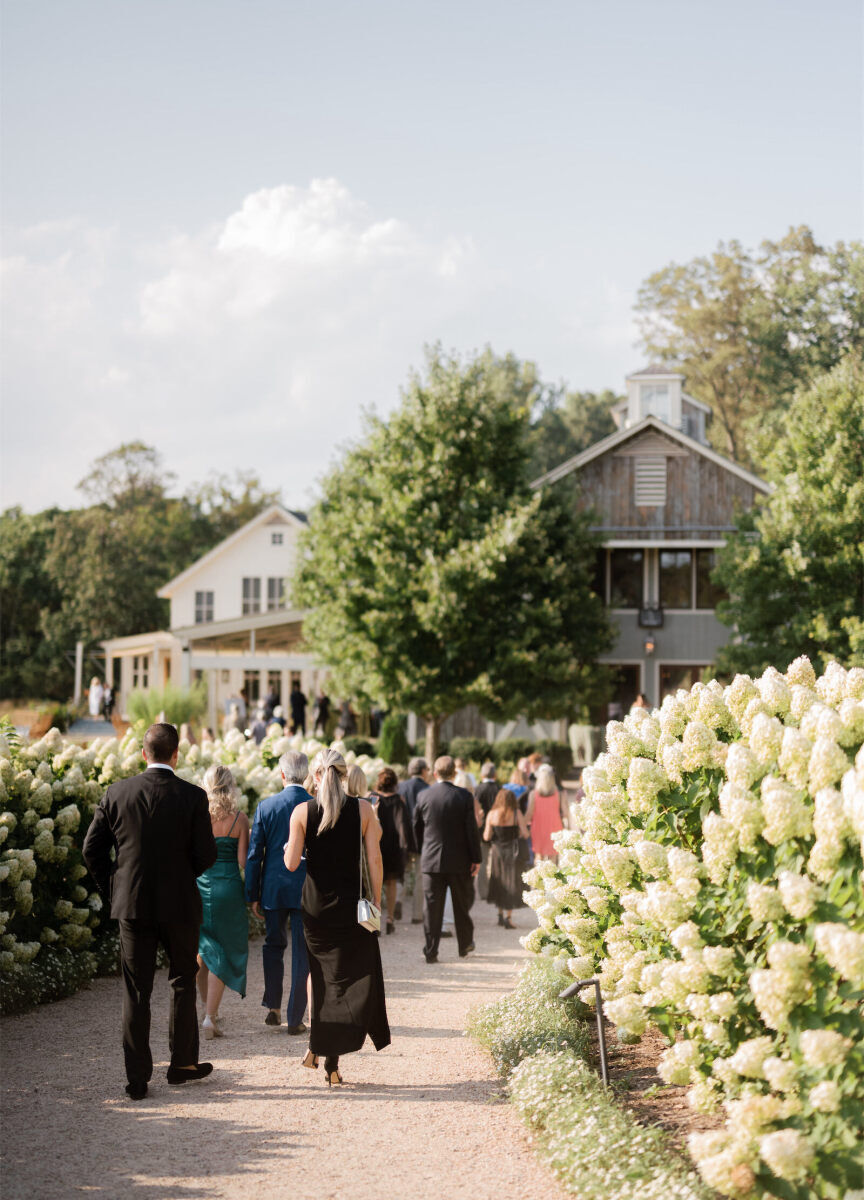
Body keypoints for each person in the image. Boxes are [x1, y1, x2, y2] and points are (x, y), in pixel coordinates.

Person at [82, 722, 216, 1100]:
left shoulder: (117, 792)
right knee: (182, 980)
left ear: (144, 753)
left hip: (132, 903)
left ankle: (138, 1077)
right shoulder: (193, 797)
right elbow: (207, 854)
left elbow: (91, 850)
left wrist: (114, 886)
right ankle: (182, 1064)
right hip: (179, 904)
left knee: (136, 990)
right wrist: (180, 873)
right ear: (176, 754)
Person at [284, 749, 391, 1086]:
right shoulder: (363, 809)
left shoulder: (302, 811)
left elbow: (289, 864)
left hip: (315, 908)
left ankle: (319, 1047)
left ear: (315, 776)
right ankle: (329, 1061)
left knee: (321, 977)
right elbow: (375, 861)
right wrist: (376, 899)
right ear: (344, 776)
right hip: (353, 907)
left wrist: (296, 846)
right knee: (350, 979)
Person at [245, 751, 311, 1034]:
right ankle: (295, 1018)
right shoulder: (314, 805)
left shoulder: (266, 806)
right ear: (306, 775)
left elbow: (254, 854)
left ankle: (272, 1005)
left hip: (273, 887)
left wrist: (252, 893)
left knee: (273, 946)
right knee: (302, 953)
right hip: (307, 888)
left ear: (282, 775)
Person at [196, 764, 250, 1039]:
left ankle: (206, 1011)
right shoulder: (239, 819)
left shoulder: (199, 817)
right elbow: (243, 862)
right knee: (222, 953)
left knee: (203, 949)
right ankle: (210, 1017)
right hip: (229, 886)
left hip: (202, 885)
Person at [412, 755, 481, 965]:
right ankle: (465, 944)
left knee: (432, 907)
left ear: (435, 773)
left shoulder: (424, 796)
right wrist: (476, 858)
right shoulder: (464, 796)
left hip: (431, 859)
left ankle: (431, 951)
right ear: (454, 773)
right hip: (459, 860)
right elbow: (472, 830)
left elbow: (416, 826)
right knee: (462, 904)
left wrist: (420, 849)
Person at [369, 767, 414, 934]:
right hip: (394, 847)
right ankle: (390, 919)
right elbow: (404, 826)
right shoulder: (399, 800)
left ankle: (374, 921)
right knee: (391, 883)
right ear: (395, 782)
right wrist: (407, 848)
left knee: (375, 885)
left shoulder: (372, 798)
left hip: (376, 844)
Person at [483, 788, 529, 928]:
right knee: (511, 882)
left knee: (499, 881)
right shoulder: (516, 813)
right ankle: (508, 918)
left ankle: (500, 915)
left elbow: (486, 836)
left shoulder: (491, 814)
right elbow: (525, 834)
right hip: (511, 852)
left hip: (497, 852)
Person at [397, 758, 429, 924]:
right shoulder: (427, 789)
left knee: (402, 873)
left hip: (403, 836)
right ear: (423, 771)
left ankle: (398, 900)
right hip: (421, 837)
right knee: (418, 876)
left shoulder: (401, 787)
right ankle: (417, 914)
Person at [526, 764, 567, 860]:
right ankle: (551, 875)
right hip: (555, 828)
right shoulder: (559, 794)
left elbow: (529, 814)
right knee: (553, 856)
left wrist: (521, 824)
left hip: (538, 828)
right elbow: (565, 813)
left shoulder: (533, 794)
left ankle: (540, 874)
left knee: (539, 856)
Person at [474, 762, 498, 901]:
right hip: (497, 830)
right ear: (494, 774)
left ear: (482, 774)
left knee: (482, 863)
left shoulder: (478, 789)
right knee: (495, 862)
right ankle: (494, 891)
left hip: (481, 830)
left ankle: (483, 891)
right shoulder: (499, 789)